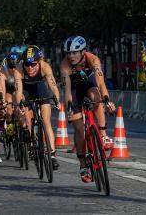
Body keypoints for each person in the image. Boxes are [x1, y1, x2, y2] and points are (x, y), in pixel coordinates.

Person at [60, 36, 116, 182]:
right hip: (74, 89)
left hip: (89, 83)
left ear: (83, 51)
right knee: (78, 128)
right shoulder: (65, 65)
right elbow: (66, 90)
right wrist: (69, 107)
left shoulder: (93, 59)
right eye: (68, 53)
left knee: (96, 95)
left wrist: (107, 99)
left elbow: (100, 82)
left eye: (74, 52)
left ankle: (103, 135)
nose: (71, 56)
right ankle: (83, 165)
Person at [13, 45, 60, 170]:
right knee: (26, 116)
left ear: (39, 62)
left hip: (40, 88)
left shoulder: (45, 66)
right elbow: (18, 92)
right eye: (27, 64)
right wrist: (20, 105)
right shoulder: (19, 69)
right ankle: (31, 140)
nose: (29, 68)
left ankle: (52, 154)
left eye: (33, 64)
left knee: (46, 121)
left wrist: (56, 99)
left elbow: (53, 86)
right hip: (26, 90)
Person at [0, 52, 21, 133]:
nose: (13, 69)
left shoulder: (22, 68)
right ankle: (10, 130)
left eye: (16, 67)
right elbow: (2, 89)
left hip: (18, 87)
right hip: (7, 87)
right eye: (11, 67)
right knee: (8, 108)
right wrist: (3, 102)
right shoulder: (3, 71)